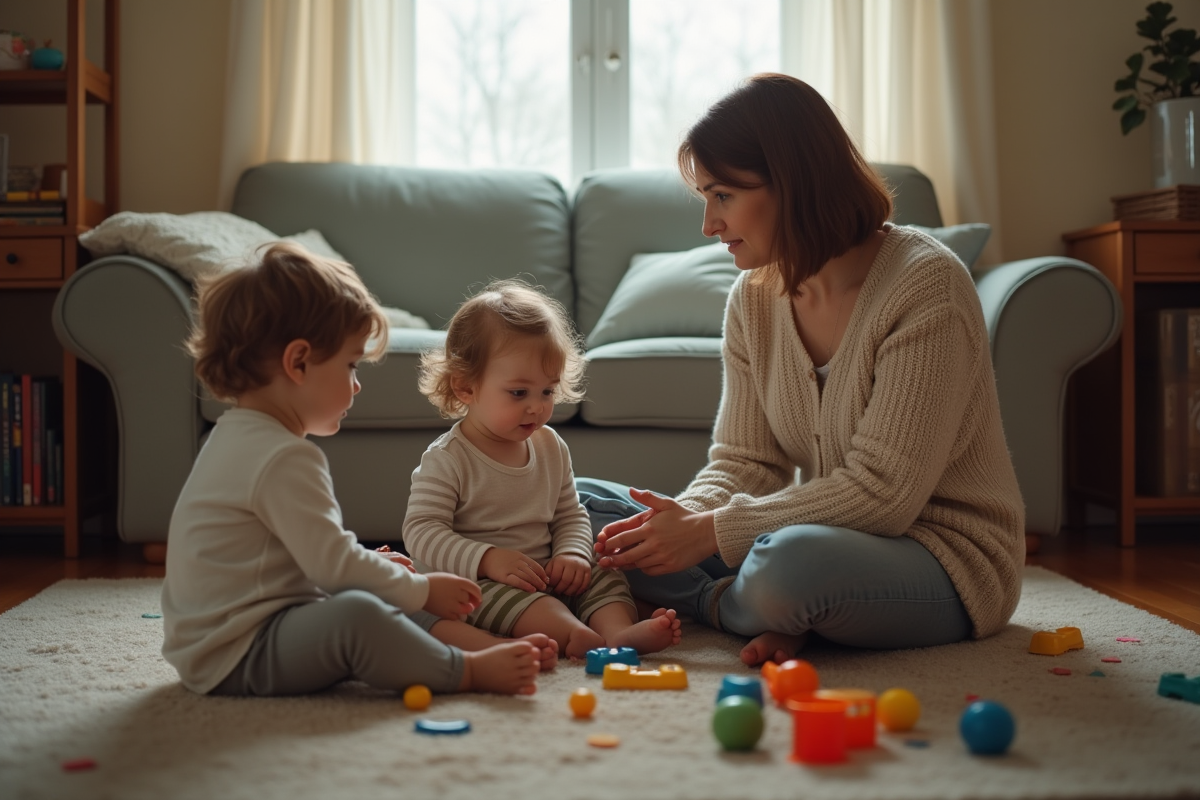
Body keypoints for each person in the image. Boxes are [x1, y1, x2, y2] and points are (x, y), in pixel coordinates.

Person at [582, 73, 1025, 667]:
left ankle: (735, 604)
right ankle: (752, 607)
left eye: (722, 196)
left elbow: (884, 495)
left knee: (789, 570)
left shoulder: (926, 286)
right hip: (821, 535)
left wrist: (710, 535)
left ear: (790, 184)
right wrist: (682, 523)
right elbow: (746, 461)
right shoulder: (753, 297)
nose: (708, 226)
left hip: (940, 556)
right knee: (576, 505)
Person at [161, 242, 549, 698]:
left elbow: (282, 559)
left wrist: (376, 571)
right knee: (361, 616)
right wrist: (420, 589)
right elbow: (334, 567)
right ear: (298, 362)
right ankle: (462, 671)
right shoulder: (285, 456)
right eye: (350, 365)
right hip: (242, 653)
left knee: (376, 592)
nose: (357, 383)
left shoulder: (235, 437)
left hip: (214, 646)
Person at [404, 279, 682, 660]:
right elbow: (421, 532)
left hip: (547, 571)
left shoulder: (550, 445)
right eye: (519, 393)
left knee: (603, 572)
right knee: (530, 607)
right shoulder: (449, 457)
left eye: (547, 392)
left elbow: (570, 513)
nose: (536, 407)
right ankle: (574, 635)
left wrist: (572, 553)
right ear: (466, 388)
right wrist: (487, 558)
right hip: (480, 581)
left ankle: (618, 633)